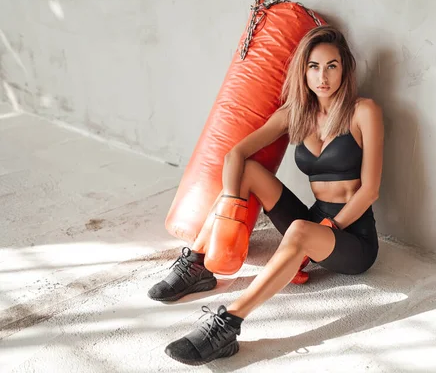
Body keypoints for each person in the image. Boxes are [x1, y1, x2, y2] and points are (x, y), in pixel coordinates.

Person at [149, 25, 384, 365]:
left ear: (345, 68)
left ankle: (228, 323)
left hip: (353, 238)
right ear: (303, 71)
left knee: (301, 231)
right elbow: (235, 155)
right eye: (314, 67)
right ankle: (199, 264)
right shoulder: (295, 114)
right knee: (249, 171)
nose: (323, 76)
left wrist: (329, 229)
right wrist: (231, 206)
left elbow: (370, 190)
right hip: (314, 220)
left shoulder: (364, 111)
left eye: (332, 65)